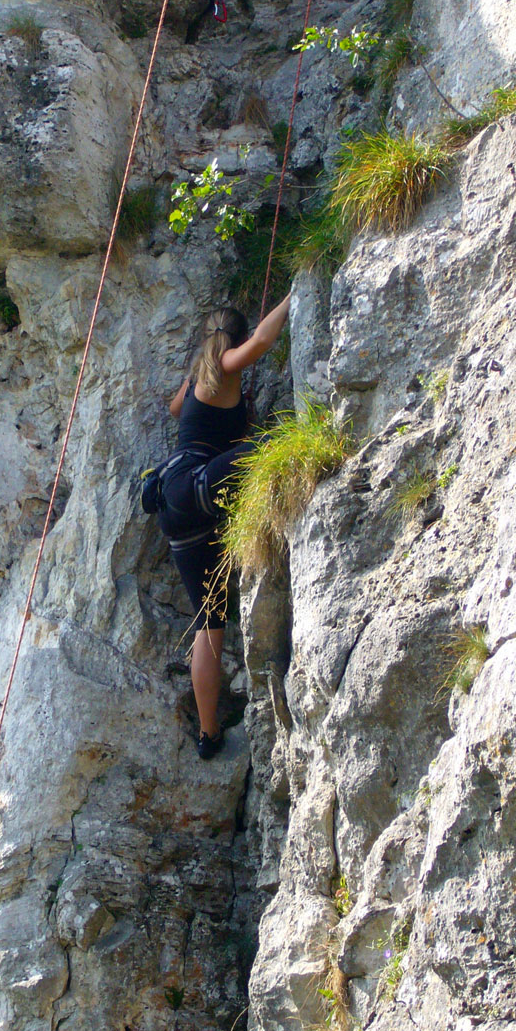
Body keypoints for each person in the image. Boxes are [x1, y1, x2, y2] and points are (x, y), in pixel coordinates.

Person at [160, 292, 292, 759]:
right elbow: (261, 341)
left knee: (210, 621)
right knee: (272, 442)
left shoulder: (201, 373)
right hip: (196, 485)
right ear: (230, 340)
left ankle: (209, 733)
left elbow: (176, 410)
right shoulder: (228, 365)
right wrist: (293, 295)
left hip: (175, 505)